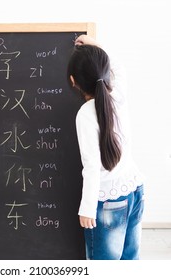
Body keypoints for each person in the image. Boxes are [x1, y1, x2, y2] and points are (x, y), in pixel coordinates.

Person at [67, 35, 145, 260]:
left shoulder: (85, 114)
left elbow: (92, 167)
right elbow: (119, 68)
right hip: (134, 189)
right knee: (130, 260)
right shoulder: (118, 96)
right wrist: (96, 45)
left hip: (109, 200)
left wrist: (88, 208)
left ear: (74, 81)